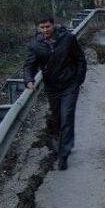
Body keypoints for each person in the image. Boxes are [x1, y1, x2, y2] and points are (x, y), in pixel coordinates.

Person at [24, 16, 86, 170]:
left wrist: (78, 79)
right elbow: (28, 65)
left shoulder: (68, 39)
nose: (45, 30)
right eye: (42, 27)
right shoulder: (35, 45)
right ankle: (61, 143)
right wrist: (29, 80)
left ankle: (63, 155)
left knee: (67, 117)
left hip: (70, 85)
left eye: (47, 27)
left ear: (54, 25)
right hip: (52, 87)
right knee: (57, 118)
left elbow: (80, 59)